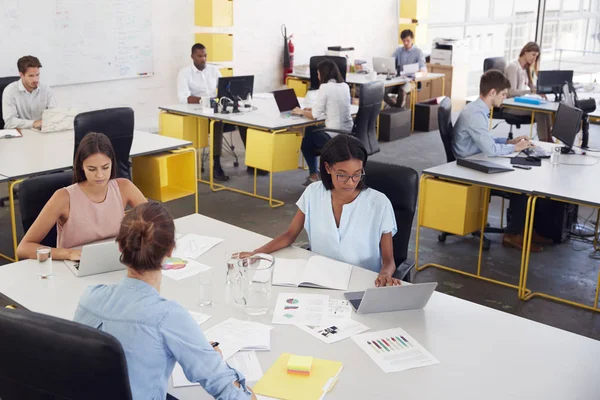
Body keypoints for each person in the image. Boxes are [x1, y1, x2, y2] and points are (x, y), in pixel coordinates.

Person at [73, 202, 255, 400]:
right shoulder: (168, 317)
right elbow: (232, 394)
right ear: (170, 250)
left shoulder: (89, 297)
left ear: (119, 247)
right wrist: (214, 362)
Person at [239, 135, 401, 287]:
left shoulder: (379, 203)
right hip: (320, 278)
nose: (350, 183)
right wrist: (257, 253)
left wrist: (385, 273)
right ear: (328, 168)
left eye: (357, 175)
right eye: (342, 175)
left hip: (362, 282)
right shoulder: (313, 193)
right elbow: (289, 235)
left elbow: (389, 260)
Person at [453, 70, 552, 251]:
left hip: (476, 157)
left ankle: (523, 230)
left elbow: (487, 139)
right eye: (503, 94)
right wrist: (515, 148)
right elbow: (490, 150)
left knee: (522, 174)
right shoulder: (475, 114)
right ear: (492, 93)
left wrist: (508, 141)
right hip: (471, 165)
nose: (505, 98)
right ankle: (513, 234)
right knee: (521, 183)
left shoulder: (478, 109)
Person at [16, 132, 147, 261]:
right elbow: (24, 248)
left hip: (114, 260)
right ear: (81, 166)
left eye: (105, 167)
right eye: (92, 169)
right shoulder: (63, 197)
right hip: (74, 264)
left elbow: (159, 223)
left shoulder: (124, 187)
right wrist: (67, 254)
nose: (100, 175)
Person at [177, 43, 263, 180]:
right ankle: (216, 165)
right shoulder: (185, 73)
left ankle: (252, 163)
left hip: (216, 108)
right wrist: (205, 100)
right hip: (198, 114)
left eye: (205, 55)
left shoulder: (213, 70)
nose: (203, 59)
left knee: (244, 121)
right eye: (199, 56)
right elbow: (183, 98)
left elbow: (225, 89)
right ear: (192, 56)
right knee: (217, 123)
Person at [292, 60, 353, 186]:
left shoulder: (325, 87)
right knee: (312, 133)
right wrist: (313, 110)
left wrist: (301, 112)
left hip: (333, 135)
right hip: (348, 132)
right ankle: (317, 173)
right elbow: (335, 107)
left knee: (307, 137)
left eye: (319, 73)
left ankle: (314, 174)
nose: (318, 76)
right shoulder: (345, 86)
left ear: (324, 74)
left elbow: (314, 116)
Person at [504, 42, 553, 142]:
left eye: (536, 56)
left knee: (546, 111)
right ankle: (544, 141)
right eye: (533, 55)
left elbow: (532, 87)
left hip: (518, 102)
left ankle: (549, 139)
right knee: (540, 112)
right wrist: (531, 91)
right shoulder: (513, 67)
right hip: (509, 106)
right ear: (525, 52)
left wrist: (540, 91)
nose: (534, 58)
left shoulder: (525, 68)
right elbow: (511, 92)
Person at [2, 55, 56, 130]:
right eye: (31, 76)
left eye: (37, 75)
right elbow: (10, 122)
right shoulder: (10, 91)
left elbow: (54, 115)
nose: (35, 79)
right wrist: (33, 123)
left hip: (41, 133)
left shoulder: (46, 89)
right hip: (20, 135)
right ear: (21, 75)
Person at [384, 29, 427, 109]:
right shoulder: (398, 51)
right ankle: (396, 108)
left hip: (411, 81)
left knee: (402, 90)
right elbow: (390, 62)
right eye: (404, 41)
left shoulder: (418, 52)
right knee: (381, 90)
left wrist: (416, 74)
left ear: (412, 39)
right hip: (399, 79)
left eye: (408, 40)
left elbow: (424, 70)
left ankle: (397, 110)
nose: (406, 43)